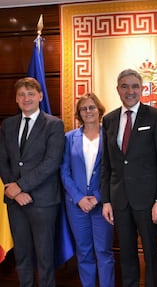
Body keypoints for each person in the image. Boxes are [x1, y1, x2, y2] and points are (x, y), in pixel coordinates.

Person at [100, 69, 157, 287]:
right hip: (120, 200)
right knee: (127, 255)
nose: (130, 91)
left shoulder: (156, 116)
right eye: (125, 86)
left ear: (142, 89)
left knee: (151, 253)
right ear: (118, 89)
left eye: (134, 86)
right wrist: (106, 200)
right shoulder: (109, 119)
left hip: (148, 202)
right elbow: (107, 164)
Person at [0, 77, 65, 287]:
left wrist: (21, 186)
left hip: (43, 201)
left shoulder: (54, 124)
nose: (26, 98)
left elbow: (52, 162)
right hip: (14, 201)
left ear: (40, 96)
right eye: (21, 94)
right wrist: (15, 191)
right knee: (22, 255)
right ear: (16, 100)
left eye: (30, 94)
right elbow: (3, 160)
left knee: (45, 257)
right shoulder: (7, 125)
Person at [60, 93, 115, 287]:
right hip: (77, 206)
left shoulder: (109, 136)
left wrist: (97, 197)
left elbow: (114, 170)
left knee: (104, 252)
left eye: (92, 107)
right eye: (84, 108)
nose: (88, 111)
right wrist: (79, 198)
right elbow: (64, 171)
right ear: (79, 113)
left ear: (99, 110)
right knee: (84, 252)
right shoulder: (69, 138)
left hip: (103, 206)